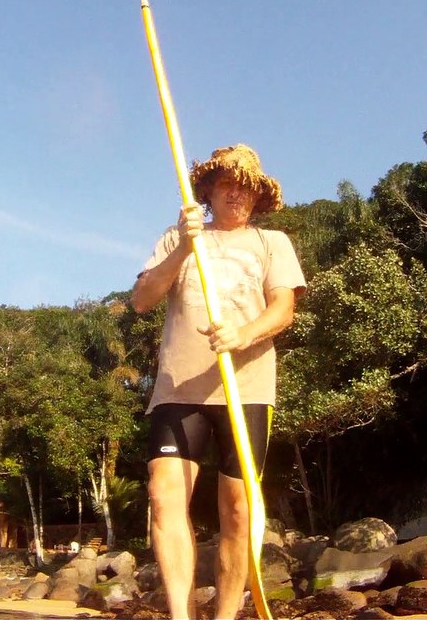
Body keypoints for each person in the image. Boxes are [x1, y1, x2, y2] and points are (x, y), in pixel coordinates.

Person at [130, 144, 306, 620]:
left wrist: (243, 333)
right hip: (178, 390)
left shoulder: (273, 243)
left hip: (244, 390)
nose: (237, 193)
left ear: (258, 196)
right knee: (163, 494)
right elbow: (142, 299)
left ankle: (225, 616)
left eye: (246, 186)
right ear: (207, 189)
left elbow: (284, 309)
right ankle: (181, 615)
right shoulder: (177, 235)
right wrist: (187, 247)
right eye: (227, 183)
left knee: (237, 510)